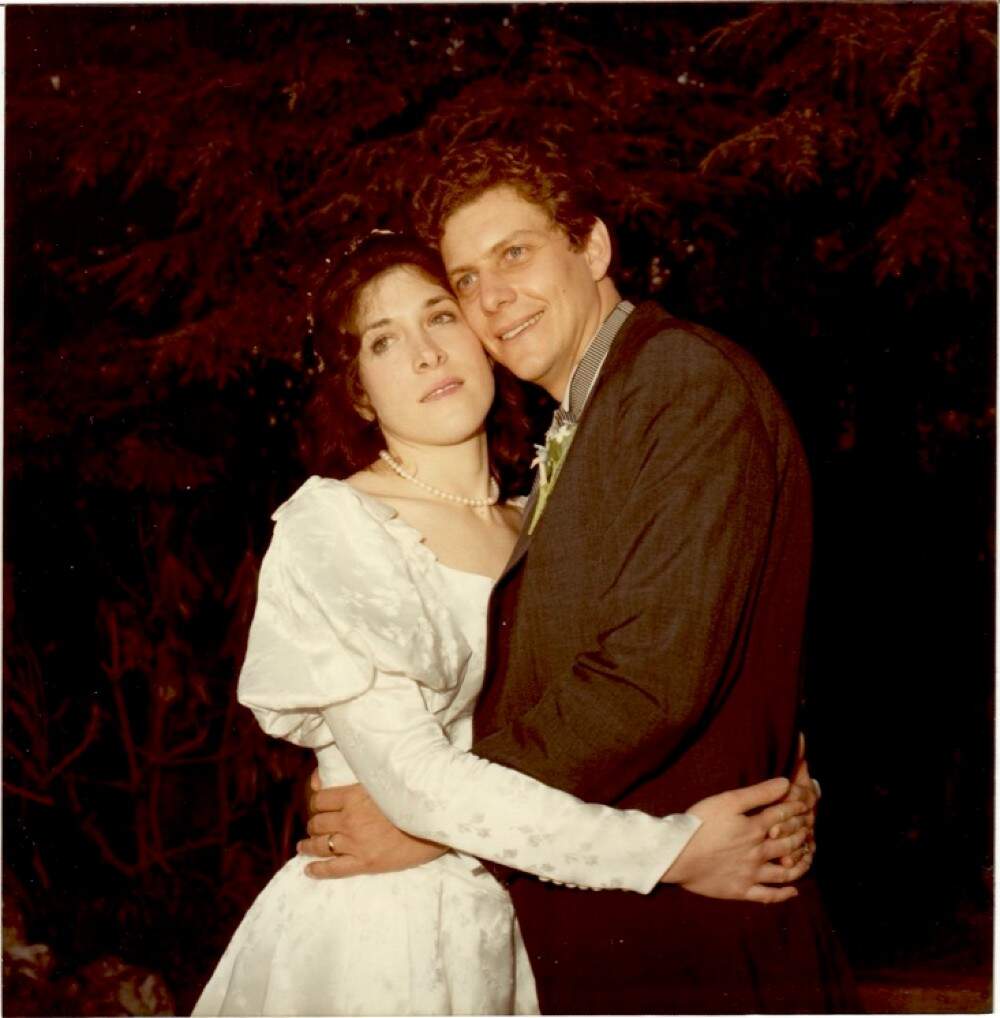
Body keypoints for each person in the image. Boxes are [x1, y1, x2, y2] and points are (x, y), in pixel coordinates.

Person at [193, 233, 817, 1017]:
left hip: (516, 926)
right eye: (385, 341)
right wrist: (674, 853)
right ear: (357, 391)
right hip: (385, 935)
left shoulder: (537, 516)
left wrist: (789, 775)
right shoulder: (337, 529)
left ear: (483, 339)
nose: (425, 355)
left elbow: (659, 653)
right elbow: (419, 790)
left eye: (440, 318)